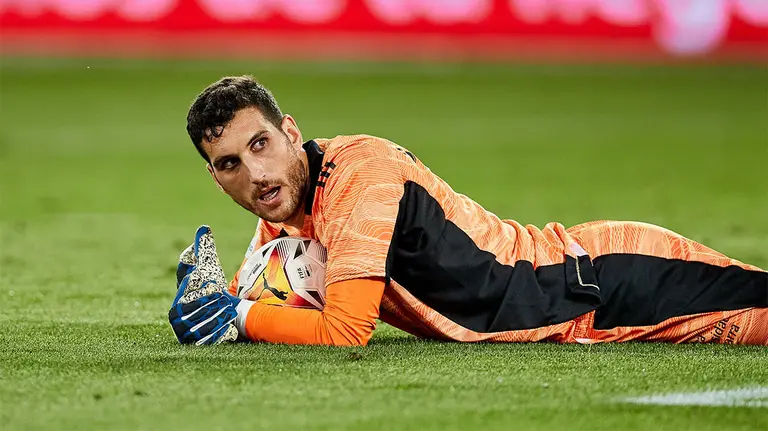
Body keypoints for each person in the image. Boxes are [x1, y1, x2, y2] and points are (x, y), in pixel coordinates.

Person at [170, 75, 767, 347]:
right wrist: (213, 304)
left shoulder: (360, 174)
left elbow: (345, 332)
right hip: (569, 307)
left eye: (261, 145)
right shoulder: (281, 208)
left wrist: (237, 317)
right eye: (230, 163)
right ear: (215, 177)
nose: (256, 173)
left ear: (291, 132)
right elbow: (248, 300)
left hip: (605, 281)